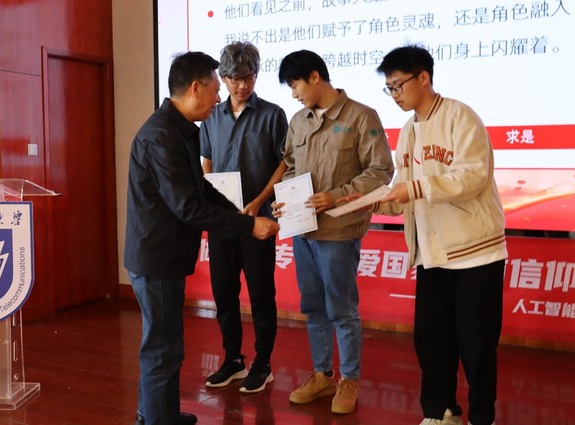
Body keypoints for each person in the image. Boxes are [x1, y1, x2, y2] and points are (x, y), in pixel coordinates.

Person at [124, 51, 279, 425]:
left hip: (164, 255)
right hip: (157, 258)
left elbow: (201, 188)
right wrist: (248, 227)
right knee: (163, 349)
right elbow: (189, 207)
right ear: (196, 88)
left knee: (163, 345)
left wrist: (239, 214)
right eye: (214, 88)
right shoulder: (162, 136)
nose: (218, 97)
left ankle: (154, 414)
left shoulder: (178, 129)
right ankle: (158, 419)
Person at [368, 45, 507, 425]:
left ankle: (482, 417)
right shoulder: (408, 130)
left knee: (476, 343)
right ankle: (441, 411)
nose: (394, 95)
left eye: (398, 86)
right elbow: (405, 191)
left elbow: (472, 176)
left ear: (424, 78)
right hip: (431, 253)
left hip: (475, 253)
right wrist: (373, 202)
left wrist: (412, 189)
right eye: (389, 89)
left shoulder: (460, 117)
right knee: (431, 339)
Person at [272, 49, 394, 414]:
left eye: (295, 85)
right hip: (303, 229)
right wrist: (284, 199)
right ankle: (322, 374)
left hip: (339, 229)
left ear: (314, 77)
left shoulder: (361, 116)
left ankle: (349, 379)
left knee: (341, 306)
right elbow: (290, 167)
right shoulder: (298, 121)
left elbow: (381, 171)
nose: (293, 94)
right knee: (312, 305)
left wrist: (336, 196)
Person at [199, 41, 288, 394]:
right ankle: (233, 359)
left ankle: (263, 363)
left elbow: (284, 163)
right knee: (224, 293)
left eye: (249, 77)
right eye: (235, 78)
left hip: (258, 221)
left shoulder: (273, 114)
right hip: (222, 222)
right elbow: (206, 161)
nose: (242, 85)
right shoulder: (211, 115)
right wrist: (210, 201)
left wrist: (259, 201)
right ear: (223, 77)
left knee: (261, 295)